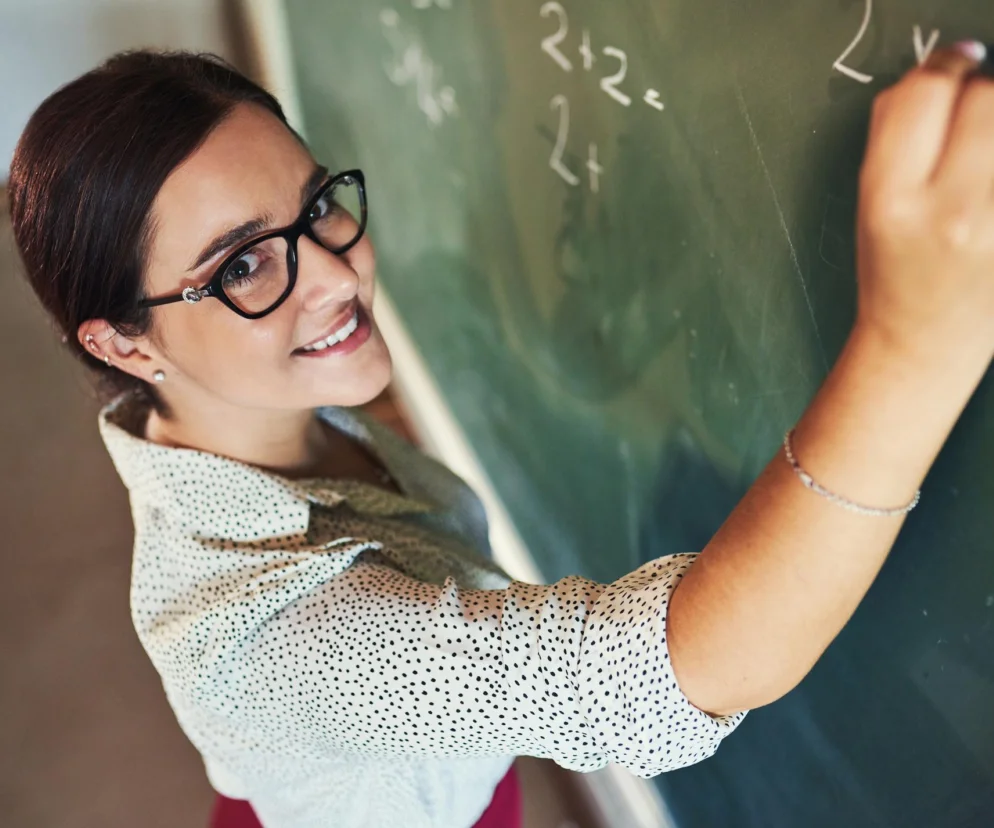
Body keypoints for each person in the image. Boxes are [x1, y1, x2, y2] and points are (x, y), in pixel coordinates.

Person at [7, 42, 994, 828]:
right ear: (124, 343)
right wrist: (912, 346)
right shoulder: (273, 642)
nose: (338, 275)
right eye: (241, 267)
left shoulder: (249, 405)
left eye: (317, 208)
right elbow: (675, 672)